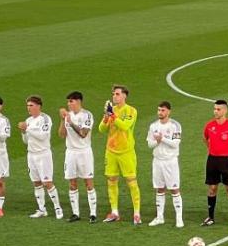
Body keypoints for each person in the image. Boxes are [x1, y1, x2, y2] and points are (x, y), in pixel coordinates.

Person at [99, 85, 141, 224]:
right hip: (111, 151)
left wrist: (112, 115)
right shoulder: (112, 110)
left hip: (126, 152)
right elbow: (101, 129)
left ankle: (136, 213)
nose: (114, 96)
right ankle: (114, 212)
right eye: (113, 94)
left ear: (124, 96)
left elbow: (124, 126)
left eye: (117, 94)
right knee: (111, 180)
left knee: (131, 181)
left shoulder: (131, 111)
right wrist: (106, 118)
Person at [202, 99, 228, 227]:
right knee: (212, 189)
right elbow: (205, 138)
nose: (215, 111)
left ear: (225, 111)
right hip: (212, 160)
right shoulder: (209, 125)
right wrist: (211, 149)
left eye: (218, 109)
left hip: (226, 161)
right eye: (214, 109)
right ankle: (210, 217)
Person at [20, 95, 63, 219]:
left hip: (43, 155)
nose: (28, 108)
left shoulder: (45, 118)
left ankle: (58, 208)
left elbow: (43, 136)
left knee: (47, 182)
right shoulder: (28, 120)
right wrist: (23, 132)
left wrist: (27, 129)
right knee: (37, 183)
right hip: (31, 155)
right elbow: (26, 141)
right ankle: (42, 209)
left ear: (38, 106)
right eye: (27, 105)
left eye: (31, 105)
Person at [59, 91, 98, 223]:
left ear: (79, 101)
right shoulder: (67, 115)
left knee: (88, 182)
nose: (68, 104)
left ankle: (93, 214)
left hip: (84, 152)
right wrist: (62, 120)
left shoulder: (87, 115)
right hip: (70, 153)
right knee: (72, 183)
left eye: (71, 101)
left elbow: (83, 134)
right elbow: (61, 135)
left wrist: (70, 122)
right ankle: (75, 213)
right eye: (68, 101)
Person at [147, 101, 185, 228]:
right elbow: (150, 144)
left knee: (174, 189)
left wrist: (161, 139)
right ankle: (159, 217)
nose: (160, 113)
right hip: (157, 161)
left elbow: (176, 143)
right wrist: (157, 141)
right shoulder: (153, 126)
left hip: (170, 162)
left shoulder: (175, 125)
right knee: (159, 189)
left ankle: (179, 218)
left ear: (169, 111)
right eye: (159, 110)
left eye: (163, 110)